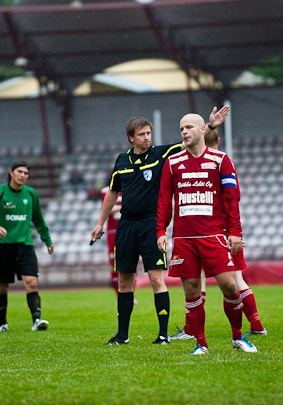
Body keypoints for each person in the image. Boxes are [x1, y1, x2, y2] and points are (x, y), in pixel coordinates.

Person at [91, 106, 229, 346]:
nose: (147, 137)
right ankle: (122, 335)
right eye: (142, 134)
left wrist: (212, 125)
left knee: (156, 279)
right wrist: (100, 223)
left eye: (149, 133)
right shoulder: (122, 161)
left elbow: (190, 140)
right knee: (125, 280)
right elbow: (113, 192)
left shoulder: (160, 154)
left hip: (150, 225)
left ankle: (163, 335)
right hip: (126, 226)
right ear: (131, 138)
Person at [157, 113, 256, 355]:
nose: (184, 132)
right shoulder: (172, 163)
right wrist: (160, 230)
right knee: (191, 290)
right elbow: (163, 202)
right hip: (183, 239)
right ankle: (201, 343)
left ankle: (237, 337)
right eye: (181, 128)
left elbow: (232, 200)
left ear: (203, 129)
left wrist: (235, 231)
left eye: (189, 127)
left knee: (230, 285)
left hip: (213, 236)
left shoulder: (221, 161)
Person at [0, 160, 54, 332]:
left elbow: (38, 219)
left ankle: (36, 320)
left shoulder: (31, 194)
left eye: (26, 173)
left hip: (25, 246)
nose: (23, 175)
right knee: (3, 287)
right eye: (20, 172)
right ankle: (3, 323)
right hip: (4, 247)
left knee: (32, 282)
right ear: (11, 173)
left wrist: (47, 239)